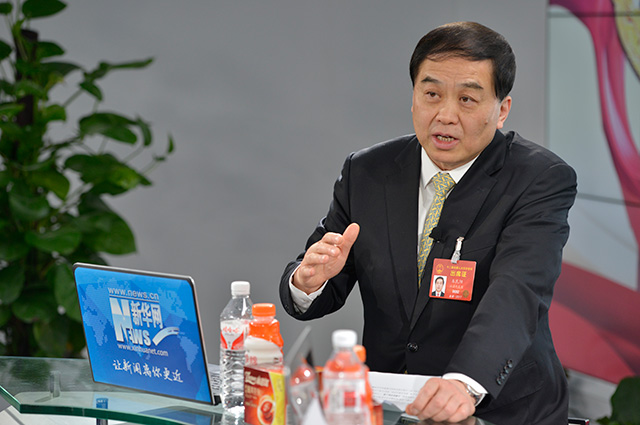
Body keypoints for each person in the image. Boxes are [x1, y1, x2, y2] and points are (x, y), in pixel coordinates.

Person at [279, 21, 576, 425]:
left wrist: (463, 383)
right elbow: (323, 274)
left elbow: (517, 290)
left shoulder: (539, 179)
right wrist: (307, 281)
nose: (445, 115)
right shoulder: (368, 171)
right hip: (393, 407)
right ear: (414, 97)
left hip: (501, 409)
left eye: (467, 99)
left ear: (502, 110)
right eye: (432, 94)